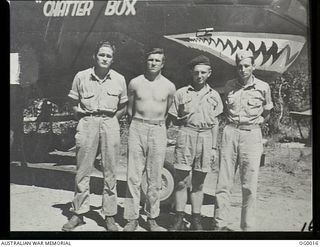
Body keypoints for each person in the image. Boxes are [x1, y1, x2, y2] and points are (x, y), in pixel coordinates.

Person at [62, 40, 128, 231]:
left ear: (113, 59)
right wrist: (81, 114)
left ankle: (109, 215)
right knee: (83, 169)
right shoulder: (81, 77)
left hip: (110, 123)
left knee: (110, 171)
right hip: (88, 122)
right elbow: (72, 102)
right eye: (102, 54)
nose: (105, 58)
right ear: (95, 56)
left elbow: (123, 106)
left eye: (108, 56)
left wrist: (111, 120)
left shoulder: (119, 79)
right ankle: (78, 213)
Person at [213, 49, 274, 231]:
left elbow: (267, 111)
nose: (243, 69)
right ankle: (220, 224)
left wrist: (257, 123)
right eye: (239, 66)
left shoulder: (263, 87)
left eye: (247, 65)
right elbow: (225, 110)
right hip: (230, 132)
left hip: (251, 135)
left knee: (249, 185)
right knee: (223, 182)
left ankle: (247, 228)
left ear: (253, 67)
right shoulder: (229, 85)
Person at [167, 55, 223, 231]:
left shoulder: (214, 95)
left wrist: (214, 148)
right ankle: (179, 218)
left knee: (199, 183)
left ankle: (196, 219)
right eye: (196, 72)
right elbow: (173, 118)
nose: (199, 75)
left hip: (206, 138)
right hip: (187, 135)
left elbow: (216, 123)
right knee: (182, 182)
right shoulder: (181, 93)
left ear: (209, 73)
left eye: (203, 72)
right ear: (192, 73)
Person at [123, 48, 176, 231]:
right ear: (146, 62)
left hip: (158, 129)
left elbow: (168, 110)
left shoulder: (169, 86)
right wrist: (138, 124)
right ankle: (131, 217)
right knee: (133, 175)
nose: (153, 63)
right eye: (150, 60)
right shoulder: (135, 83)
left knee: (155, 177)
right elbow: (130, 108)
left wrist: (158, 126)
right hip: (137, 127)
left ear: (163, 64)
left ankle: (152, 217)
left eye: (157, 60)